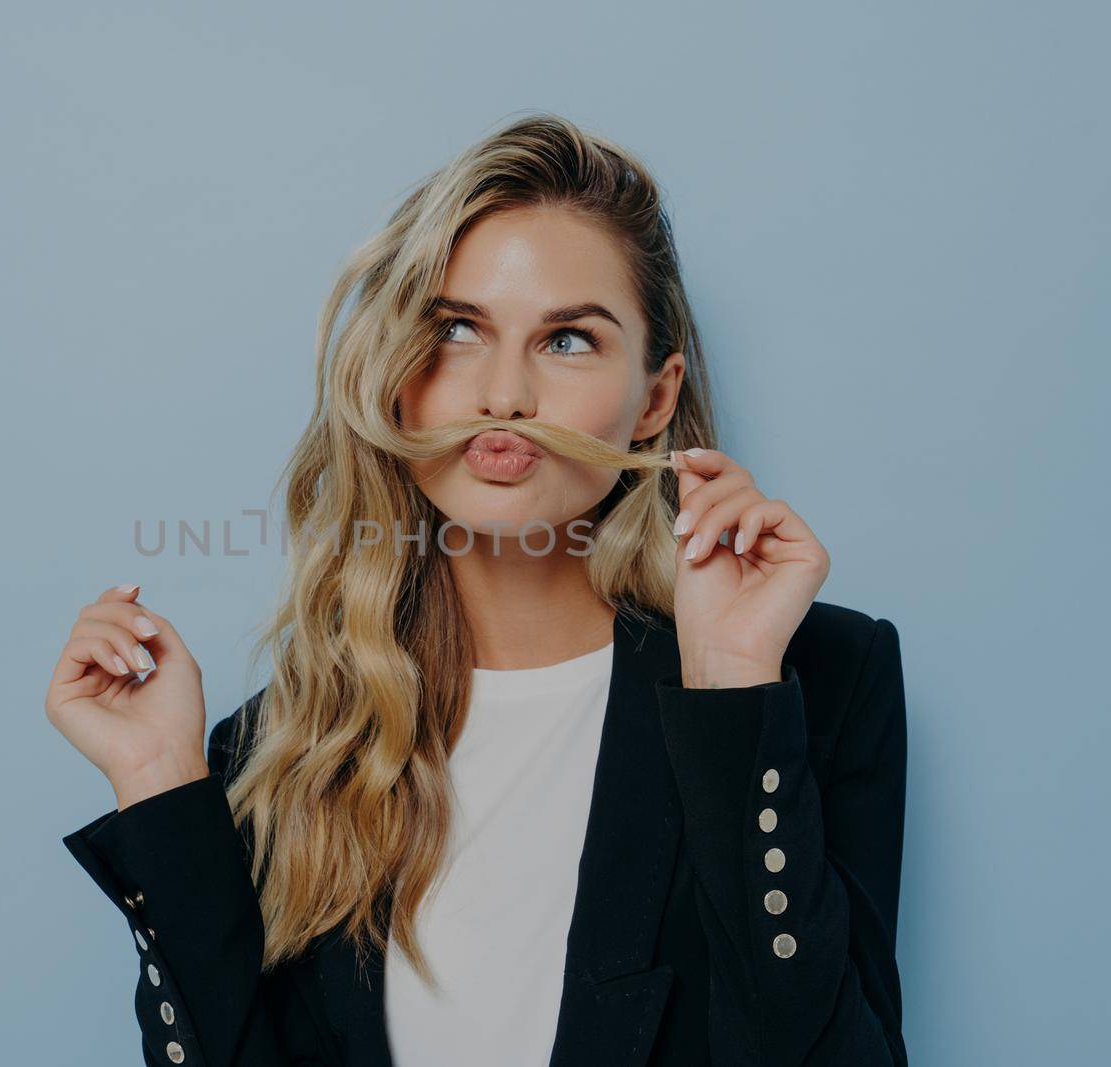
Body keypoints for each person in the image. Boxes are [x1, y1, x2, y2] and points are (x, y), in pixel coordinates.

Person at [45, 112, 908, 1066]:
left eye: (568, 341)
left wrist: (734, 681)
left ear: (654, 399)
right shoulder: (285, 743)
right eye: (457, 330)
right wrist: (161, 782)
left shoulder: (814, 681)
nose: (504, 395)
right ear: (397, 379)